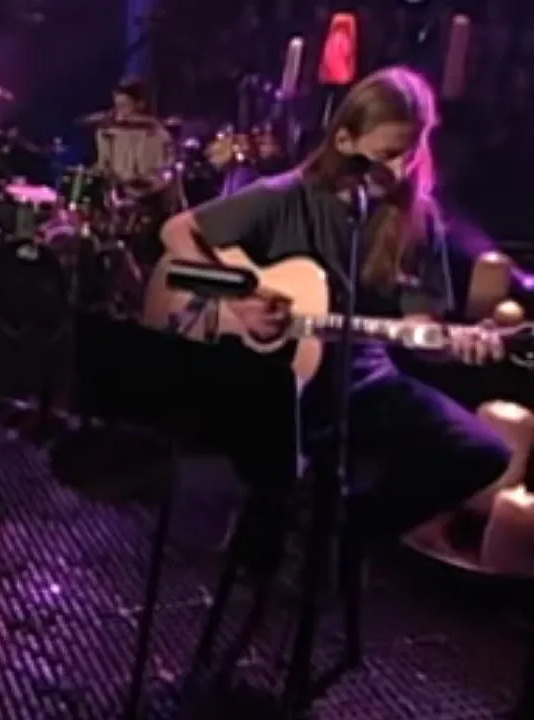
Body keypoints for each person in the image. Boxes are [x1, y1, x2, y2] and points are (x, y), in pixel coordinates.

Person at [157, 66, 509, 562]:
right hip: (278, 381)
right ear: (345, 140)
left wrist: (452, 344)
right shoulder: (284, 196)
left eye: (412, 152)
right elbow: (177, 232)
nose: (401, 168)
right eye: (388, 153)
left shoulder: (418, 218)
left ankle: (339, 531)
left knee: (482, 451)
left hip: (364, 379)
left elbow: (420, 329)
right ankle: (293, 526)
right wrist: (238, 299)